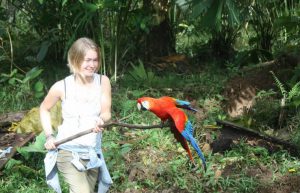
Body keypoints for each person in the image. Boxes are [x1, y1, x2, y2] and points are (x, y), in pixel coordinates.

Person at [40, 37, 113, 193]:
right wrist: (49, 136)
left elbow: (106, 112)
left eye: (95, 60)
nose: (92, 65)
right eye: (87, 60)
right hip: (68, 151)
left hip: (93, 152)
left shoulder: (103, 82)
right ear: (75, 60)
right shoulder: (61, 86)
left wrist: (101, 120)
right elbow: (44, 109)